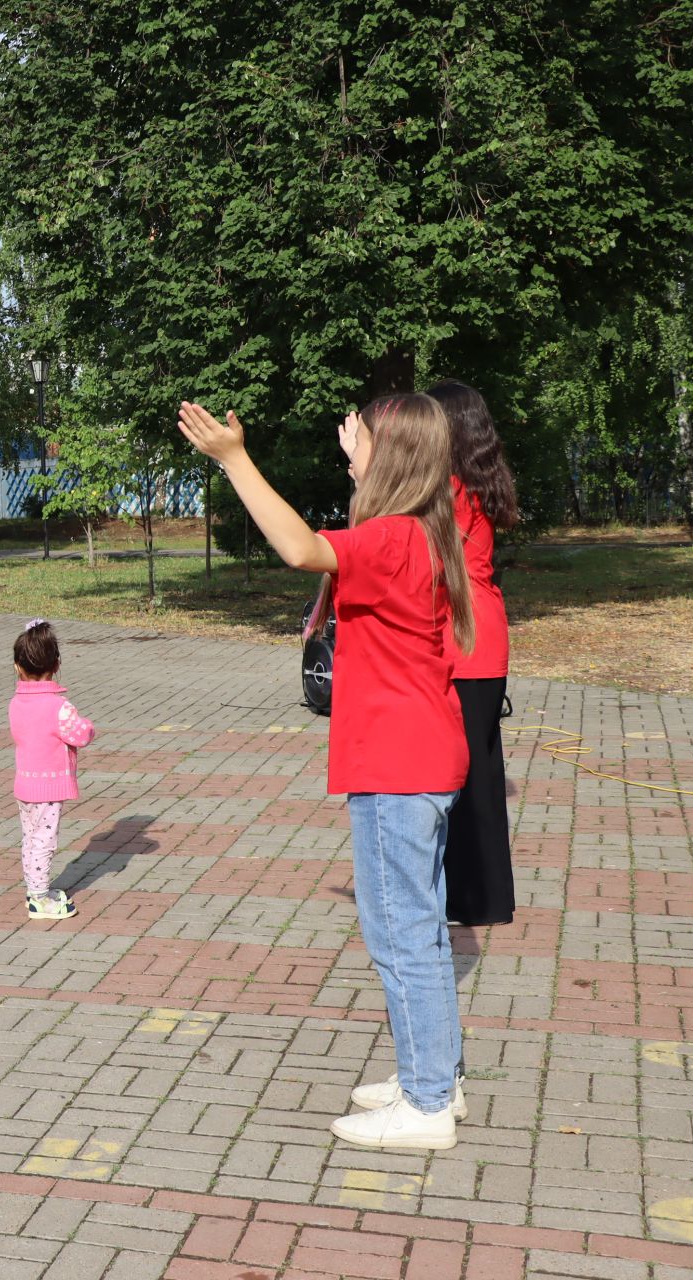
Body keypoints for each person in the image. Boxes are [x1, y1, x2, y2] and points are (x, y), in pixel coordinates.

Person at [178, 393, 472, 1152]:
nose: (351, 447)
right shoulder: (416, 531)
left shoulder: (392, 539)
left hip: (397, 765)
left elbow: (302, 549)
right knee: (423, 931)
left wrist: (233, 459)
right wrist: (360, 464)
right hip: (420, 757)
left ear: (393, 456)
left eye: (361, 441)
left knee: (400, 934)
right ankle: (432, 1075)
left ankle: (428, 1101)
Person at [428, 381, 519, 928]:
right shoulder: (482, 483)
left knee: (455, 779)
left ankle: (467, 898)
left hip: (461, 642)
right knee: (481, 775)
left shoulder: (453, 491)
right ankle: (487, 898)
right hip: (487, 638)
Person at [7, 619, 95, 920]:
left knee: (30, 837)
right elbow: (80, 735)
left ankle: (34, 888)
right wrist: (88, 726)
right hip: (48, 788)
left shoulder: (16, 702)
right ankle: (40, 898)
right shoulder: (58, 707)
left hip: (25, 784)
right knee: (45, 840)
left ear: (18, 666)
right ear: (56, 665)